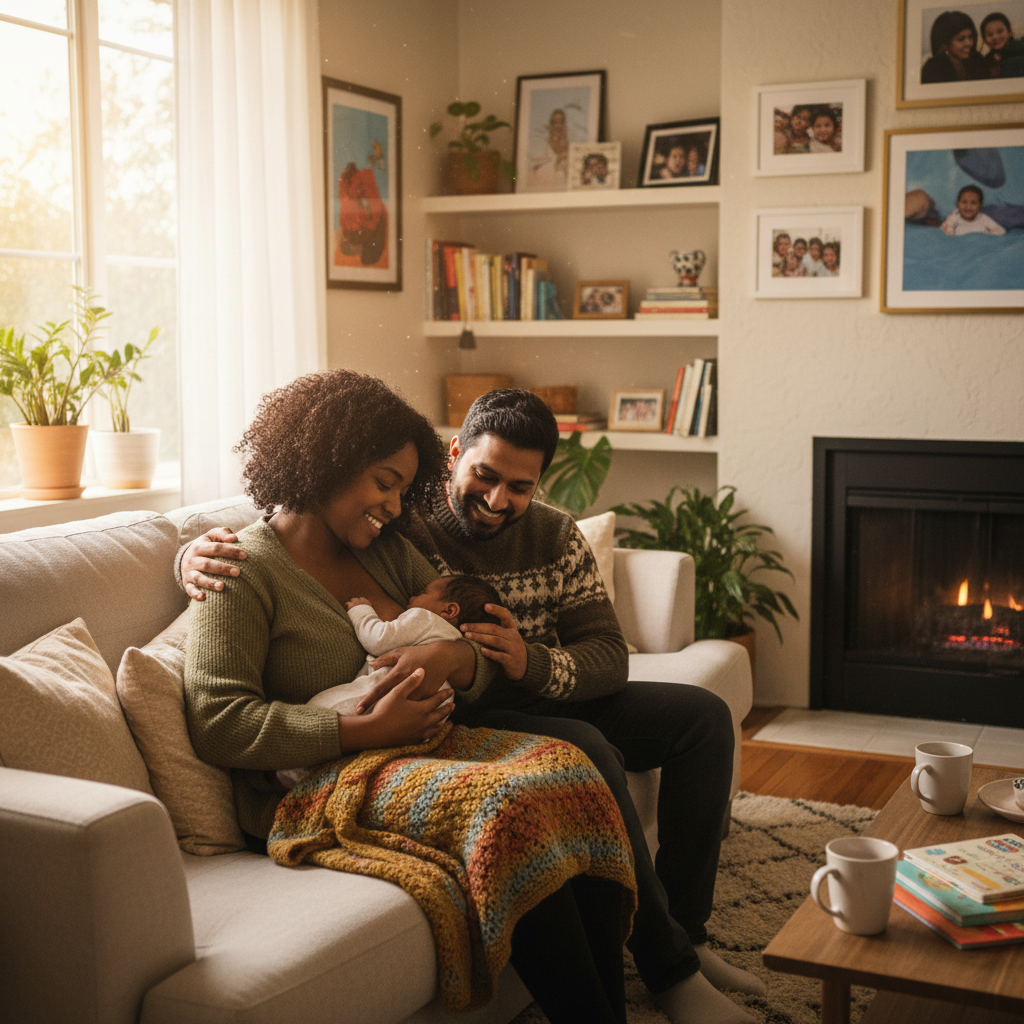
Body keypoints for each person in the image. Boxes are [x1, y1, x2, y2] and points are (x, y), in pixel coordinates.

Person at [182, 387, 764, 1024]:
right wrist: (359, 728)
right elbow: (218, 721)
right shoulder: (237, 569)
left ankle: (662, 968)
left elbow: (469, 647)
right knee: (522, 798)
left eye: (403, 489)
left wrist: (459, 659)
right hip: (316, 781)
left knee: (572, 770)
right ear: (328, 462)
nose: (396, 505)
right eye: (385, 484)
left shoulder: (383, 548)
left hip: (422, 742)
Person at [276, 572, 502, 789]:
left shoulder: (425, 619)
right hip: (423, 721)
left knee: (324, 707)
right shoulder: (454, 638)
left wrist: (361, 610)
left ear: (449, 610)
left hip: (381, 694)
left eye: (422, 593)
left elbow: (378, 639)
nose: (412, 597)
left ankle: (293, 773)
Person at [921, 10, 988, 82]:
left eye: (970, 37)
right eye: (961, 39)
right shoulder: (933, 69)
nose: (969, 43)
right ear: (945, 45)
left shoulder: (978, 61)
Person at [941, 184, 1007, 235]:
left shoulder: (984, 219)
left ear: (979, 206)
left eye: (973, 203)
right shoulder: (954, 218)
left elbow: (1001, 231)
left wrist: (989, 235)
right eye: (964, 202)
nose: (968, 207)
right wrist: (948, 231)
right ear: (957, 204)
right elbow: (943, 231)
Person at [980, 12, 1024, 77]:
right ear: (984, 40)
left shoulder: (1019, 48)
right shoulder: (987, 61)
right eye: (990, 35)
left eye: (1000, 31)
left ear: (1009, 32)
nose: (995, 37)